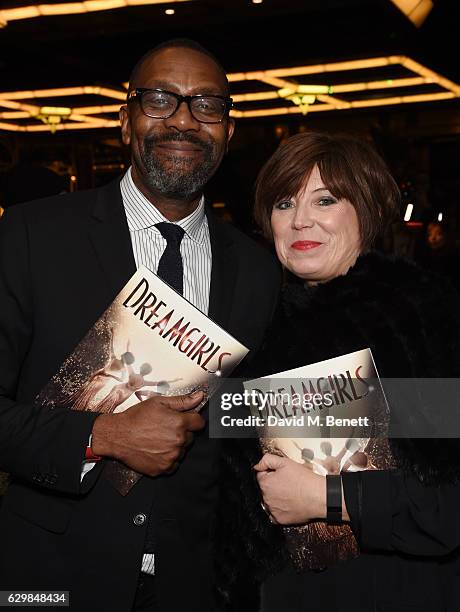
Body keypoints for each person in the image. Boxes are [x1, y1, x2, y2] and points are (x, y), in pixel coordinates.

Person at [0, 39, 281, 611]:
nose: (183, 119)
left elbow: (250, 415)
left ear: (228, 131)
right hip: (49, 579)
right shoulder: (33, 237)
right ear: (125, 122)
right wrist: (101, 436)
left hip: (198, 583)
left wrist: (424, 414)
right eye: (160, 100)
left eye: (207, 104)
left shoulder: (259, 271)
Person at [219, 132, 460, 612]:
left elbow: (445, 505)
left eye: (324, 200)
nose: (301, 219)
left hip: (393, 592)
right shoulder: (256, 329)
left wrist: (327, 497)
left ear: (366, 211)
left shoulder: (411, 320)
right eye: (284, 203)